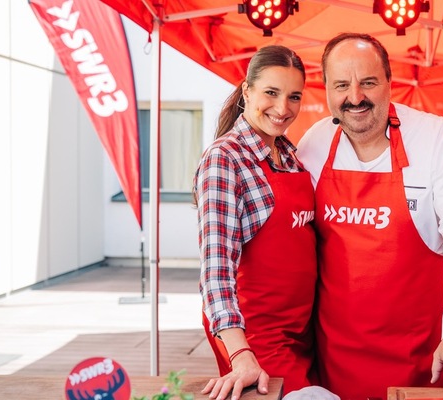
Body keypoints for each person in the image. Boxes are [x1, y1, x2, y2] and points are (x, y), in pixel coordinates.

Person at [296, 33, 443, 399]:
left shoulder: (435, 137)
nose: (355, 97)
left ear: (390, 82)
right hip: (334, 356)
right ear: (325, 88)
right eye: (341, 84)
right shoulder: (314, 143)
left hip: (420, 357)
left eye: (368, 82)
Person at [193, 45, 318, 400]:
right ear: (247, 91)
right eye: (271, 93)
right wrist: (240, 354)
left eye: (294, 96)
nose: (283, 109)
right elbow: (216, 271)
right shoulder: (225, 159)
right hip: (257, 338)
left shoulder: (291, 156)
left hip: (303, 334)